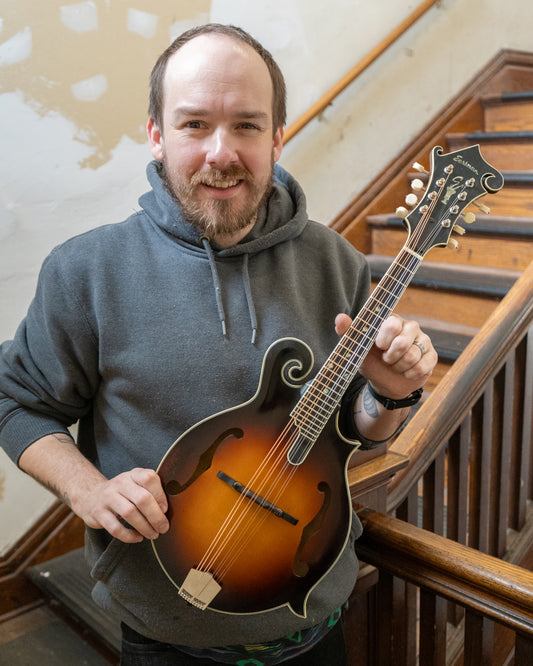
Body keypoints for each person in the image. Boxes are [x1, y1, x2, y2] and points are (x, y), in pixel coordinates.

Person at [0, 23, 437, 666]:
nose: (220, 152)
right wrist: (89, 491)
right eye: (194, 124)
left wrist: (392, 394)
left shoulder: (336, 263)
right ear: (156, 134)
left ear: (278, 136)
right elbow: (16, 405)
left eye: (248, 126)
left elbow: (355, 433)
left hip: (312, 616)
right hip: (166, 636)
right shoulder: (85, 270)